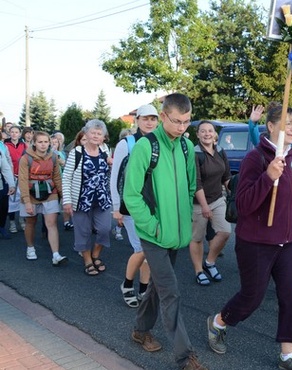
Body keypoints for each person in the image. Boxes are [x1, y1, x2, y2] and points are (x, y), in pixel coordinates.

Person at [206, 104, 292, 370]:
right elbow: (243, 205)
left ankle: (287, 356)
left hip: (288, 241)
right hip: (256, 242)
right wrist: (267, 177)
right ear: (270, 126)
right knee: (252, 297)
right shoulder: (257, 159)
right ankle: (219, 322)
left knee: (291, 297)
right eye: (287, 123)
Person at [123, 94, 207, 370]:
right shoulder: (145, 147)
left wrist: (186, 221)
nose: (182, 127)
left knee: (159, 288)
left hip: (177, 233)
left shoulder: (186, 147)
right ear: (162, 117)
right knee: (171, 291)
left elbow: (191, 186)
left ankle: (139, 329)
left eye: (187, 121)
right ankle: (185, 357)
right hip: (154, 235)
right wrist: (153, 226)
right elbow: (131, 195)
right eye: (177, 121)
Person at [110, 104, 157, 308]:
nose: (149, 122)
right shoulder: (127, 143)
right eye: (145, 118)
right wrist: (116, 207)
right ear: (137, 120)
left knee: (149, 250)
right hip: (130, 205)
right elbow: (116, 177)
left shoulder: (160, 143)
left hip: (153, 205)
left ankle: (144, 288)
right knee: (142, 248)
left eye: (153, 119)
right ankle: (128, 285)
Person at [62, 120, 113, 276]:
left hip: (103, 199)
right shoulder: (77, 152)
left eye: (99, 134)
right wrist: (67, 201)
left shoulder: (105, 151)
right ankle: (88, 261)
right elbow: (66, 178)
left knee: (105, 229)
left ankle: (96, 255)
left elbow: (109, 176)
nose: (96, 136)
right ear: (86, 134)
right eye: (93, 133)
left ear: (103, 137)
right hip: (81, 199)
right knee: (83, 231)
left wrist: (111, 165)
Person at [189, 120, 231, 286]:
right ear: (198, 134)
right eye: (203, 131)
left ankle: (210, 262)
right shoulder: (195, 154)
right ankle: (199, 270)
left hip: (217, 199)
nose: (207, 134)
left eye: (210, 131)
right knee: (197, 238)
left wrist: (233, 195)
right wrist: (205, 206)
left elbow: (226, 177)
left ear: (215, 134)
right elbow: (196, 183)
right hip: (198, 203)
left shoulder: (220, 151)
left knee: (225, 231)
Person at [18, 131, 67, 265]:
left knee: (51, 223)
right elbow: (22, 180)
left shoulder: (53, 157)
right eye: (40, 142)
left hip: (50, 193)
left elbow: (57, 177)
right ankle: (30, 248)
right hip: (30, 193)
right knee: (31, 222)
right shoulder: (26, 158)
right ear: (34, 143)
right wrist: (26, 202)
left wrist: (64, 197)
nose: (43, 144)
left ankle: (56, 254)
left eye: (46, 142)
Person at [5, 125, 27, 233]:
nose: (14, 134)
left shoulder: (23, 145)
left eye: (16, 132)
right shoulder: (5, 145)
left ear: (19, 133)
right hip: (10, 175)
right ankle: (12, 222)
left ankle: (22, 220)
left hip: (22, 175)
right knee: (11, 200)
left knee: (22, 199)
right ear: (9, 133)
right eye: (12, 132)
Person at [0, 147, 16, 238]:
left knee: (3, 206)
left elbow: (5, 168)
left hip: (1, 185)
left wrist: (11, 184)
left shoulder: (0, 152)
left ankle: (1, 226)